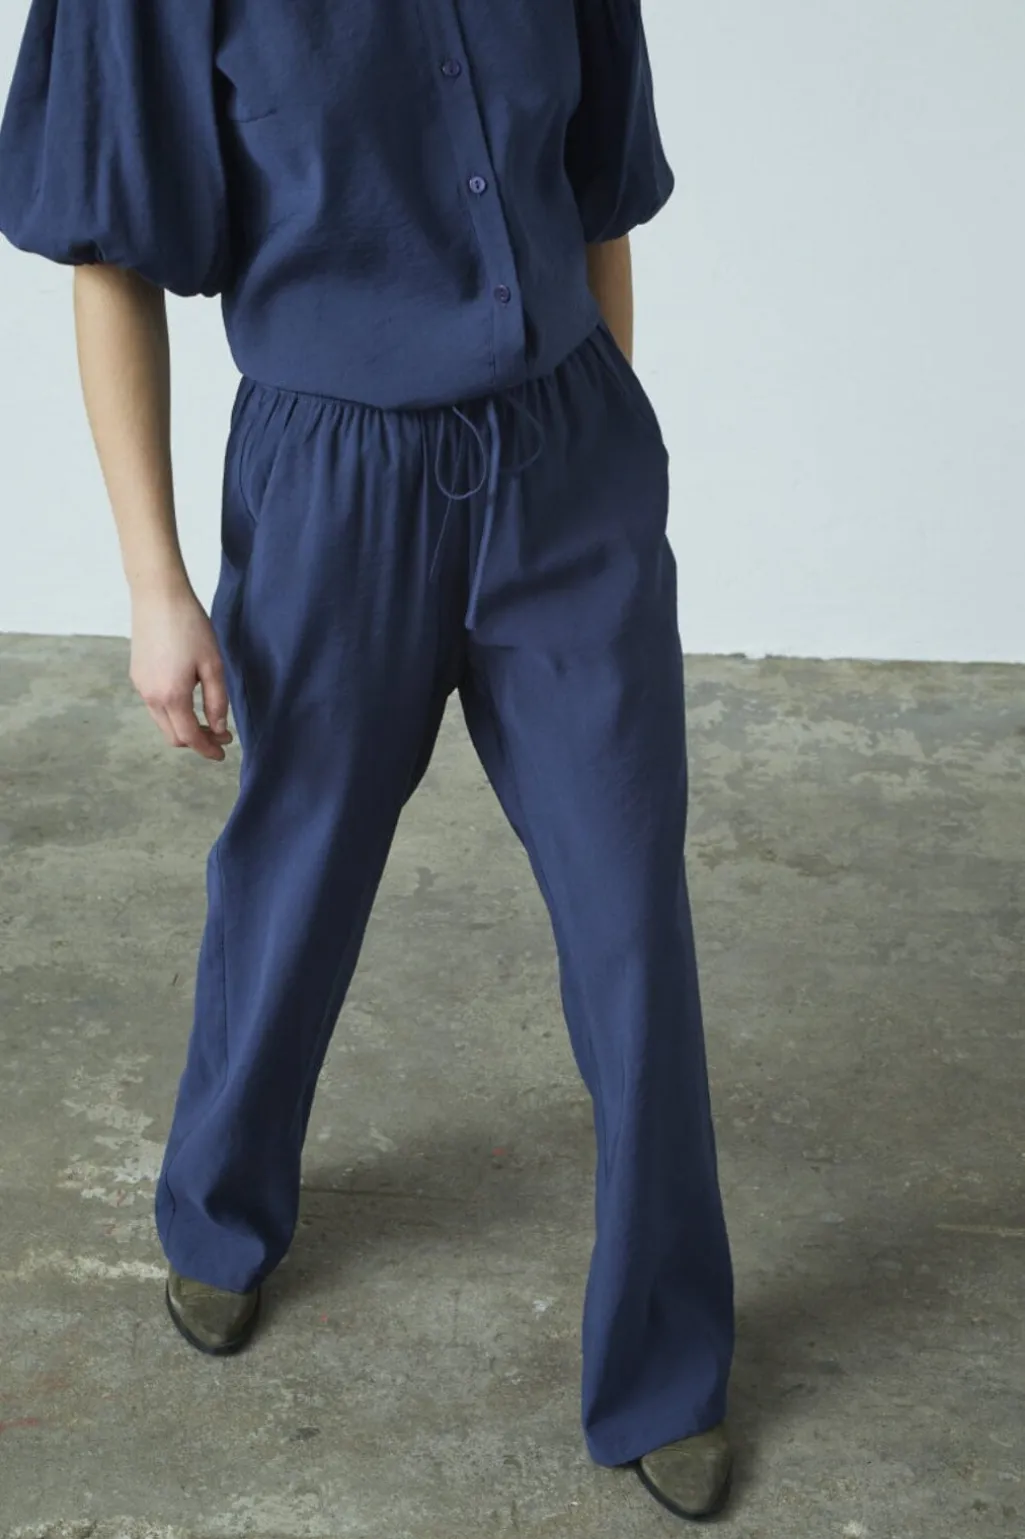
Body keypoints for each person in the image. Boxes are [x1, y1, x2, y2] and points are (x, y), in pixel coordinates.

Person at [0, 0, 735, 1521]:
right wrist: (155, 585)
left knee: (631, 923)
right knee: (295, 877)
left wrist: (609, 454)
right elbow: (107, 256)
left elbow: (599, 196)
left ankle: (668, 1360)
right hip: (332, 483)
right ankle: (219, 1209)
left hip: (567, 466)